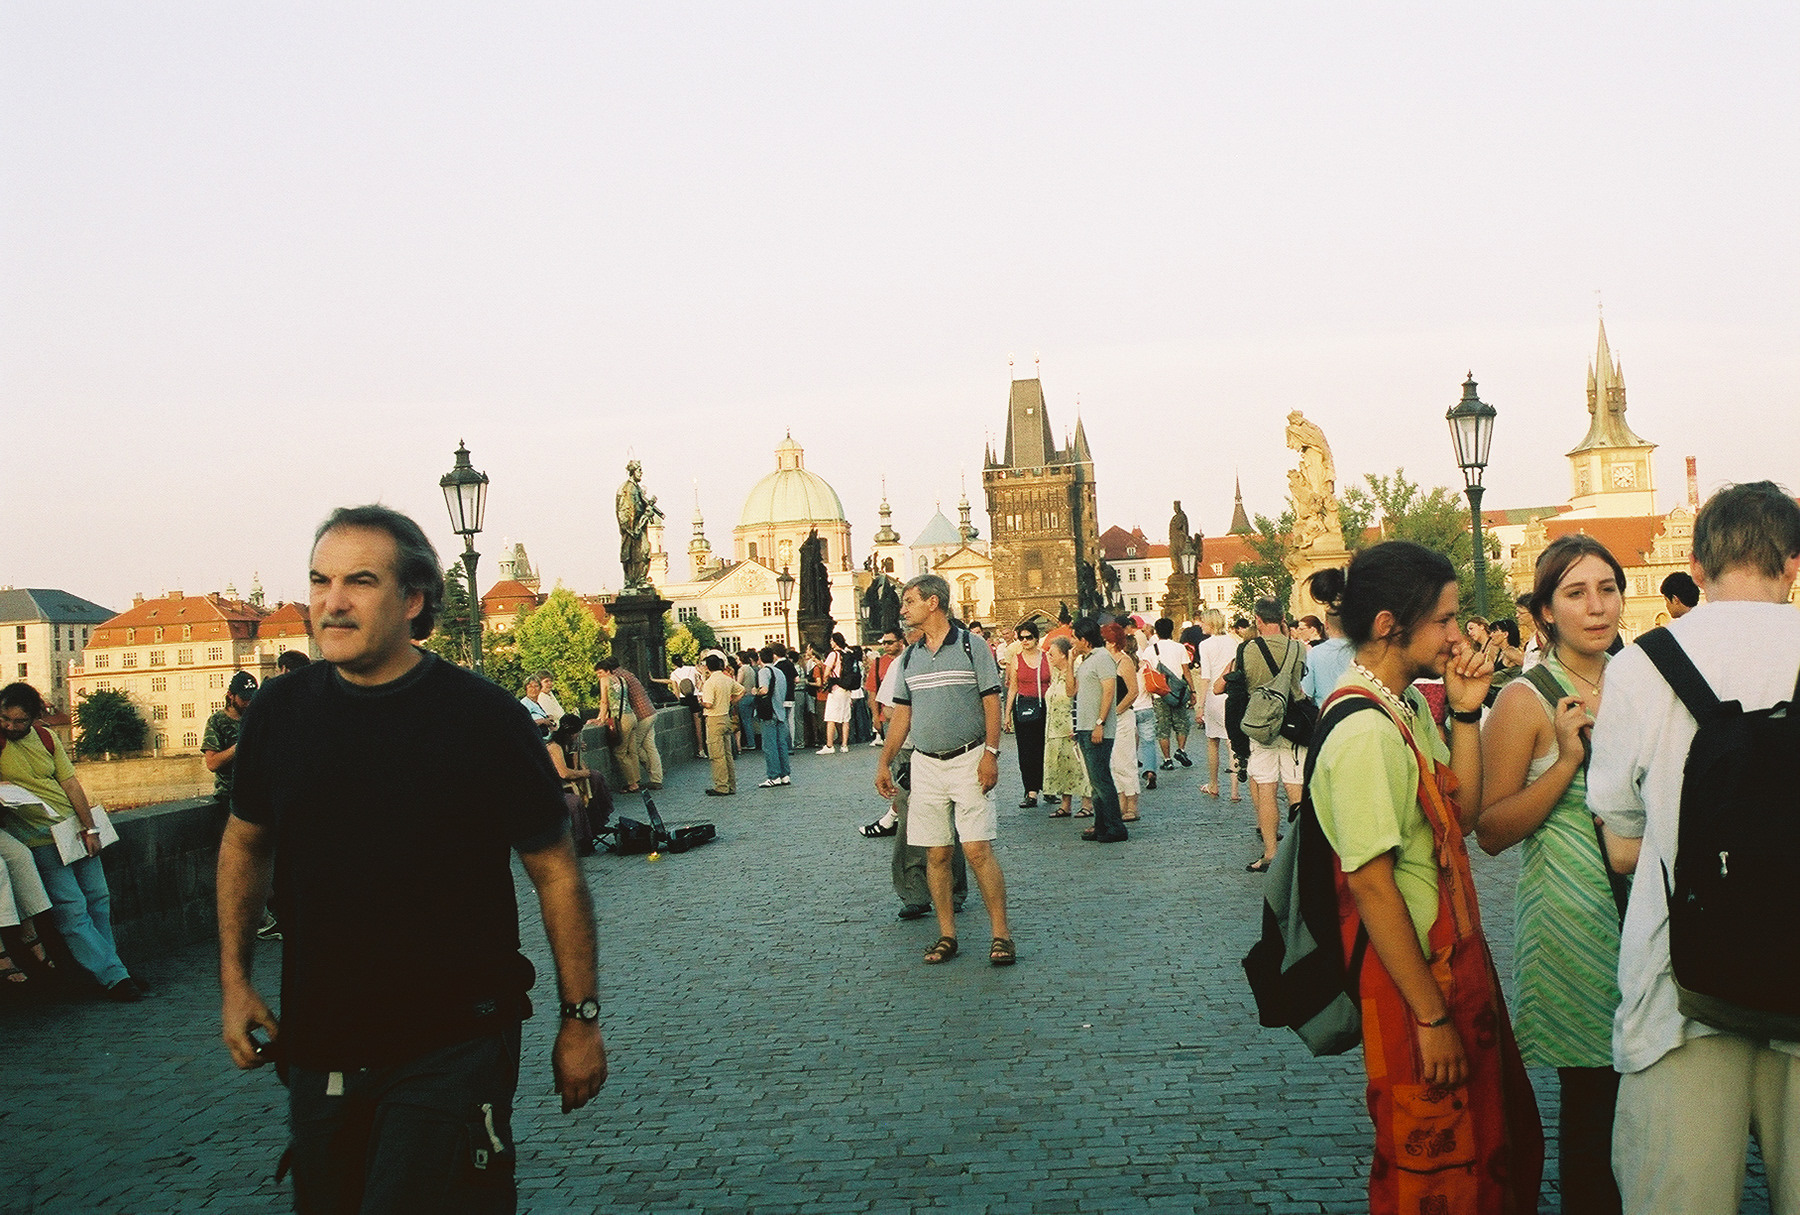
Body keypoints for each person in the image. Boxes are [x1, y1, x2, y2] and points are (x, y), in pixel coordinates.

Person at [216, 505, 607, 1212]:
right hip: (323, 1036)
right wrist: (235, 981)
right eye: (320, 580)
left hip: (453, 1037)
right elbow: (245, 843)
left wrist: (579, 1018)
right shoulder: (280, 710)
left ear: (414, 600)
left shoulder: (483, 717)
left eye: (360, 581)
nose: (333, 601)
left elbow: (556, 872)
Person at [1306, 544, 1542, 1215]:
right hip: (1415, 981)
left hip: (1451, 963)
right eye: (1444, 619)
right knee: (1438, 1166)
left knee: (1487, 1146)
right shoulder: (1365, 732)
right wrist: (1431, 1016)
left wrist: (1465, 712)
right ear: (1389, 625)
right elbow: (1372, 887)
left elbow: (1460, 815)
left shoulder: (1402, 704)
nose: (1458, 634)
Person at [1589, 481, 1800, 1215]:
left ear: (1698, 566)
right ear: (1793, 564)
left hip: (1680, 987)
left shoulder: (1642, 664)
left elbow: (1620, 834)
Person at [1475, 533, 1626, 1215]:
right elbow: (1492, 829)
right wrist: (1566, 762)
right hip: (1573, 924)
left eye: (1607, 589)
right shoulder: (1525, 699)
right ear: (1544, 612)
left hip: (1652, 914)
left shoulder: (1642, 679)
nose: (1597, 606)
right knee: (1594, 1106)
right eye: (1576, 593)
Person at [873, 574, 1015, 966]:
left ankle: (1001, 935)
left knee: (977, 850)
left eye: (909, 601)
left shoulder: (972, 646)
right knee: (936, 853)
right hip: (926, 765)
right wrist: (884, 762)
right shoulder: (910, 658)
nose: (903, 609)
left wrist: (991, 754)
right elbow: (902, 715)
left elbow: (991, 702)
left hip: (969, 759)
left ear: (933, 603)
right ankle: (947, 934)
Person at [0, 682, 142, 1001]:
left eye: (19, 721)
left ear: (34, 718)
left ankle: (113, 968)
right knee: (72, 909)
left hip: (72, 829)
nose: (10, 726)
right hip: (38, 837)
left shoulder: (46, 737)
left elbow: (71, 785)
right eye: (4, 718)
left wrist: (89, 829)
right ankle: (114, 976)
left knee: (98, 900)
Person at [876, 622, 967, 920]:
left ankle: (953, 890)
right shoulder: (904, 662)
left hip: (952, 749)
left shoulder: (960, 654)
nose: (912, 633)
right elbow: (888, 709)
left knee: (951, 820)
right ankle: (915, 892)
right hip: (911, 750)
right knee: (911, 821)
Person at [1218, 598, 1308, 872]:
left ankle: (1270, 853)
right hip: (1293, 725)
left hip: (1260, 725)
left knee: (1266, 789)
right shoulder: (1298, 647)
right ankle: (1302, 852)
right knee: (1296, 789)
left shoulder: (1247, 649)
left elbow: (1236, 686)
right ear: (1282, 618)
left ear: (1257, 619)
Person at [1070, 619, 1127, 843]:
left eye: (1075, 637)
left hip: (1097, 727)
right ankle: (1101, 824)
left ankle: (1116, 826)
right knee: (1095, 781)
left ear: (1085, 640)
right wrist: (1070, 662)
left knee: (1101, 779)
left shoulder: (1102, 658)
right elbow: (1071, 691)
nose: (1073, 641)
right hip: (1084, 726)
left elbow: (1109, 691)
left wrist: (1100, 722)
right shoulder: (1087, 659)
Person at [1039, 636, 1091, 819]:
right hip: (1054, 727)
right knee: (1061, 765)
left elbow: (1072, 693)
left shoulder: (1075, 671)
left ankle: (1087, 804)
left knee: (1078, 765)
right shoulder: (1055, 673)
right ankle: (1065, 804)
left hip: (1070, 726)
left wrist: (1070, 662)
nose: (1049, 656)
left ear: (1063, 654)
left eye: (1052, 653)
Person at [596, 656, 662, 793]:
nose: (598, 676)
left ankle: (634, 782)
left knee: (620, 751)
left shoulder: (608, 679)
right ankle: (654, 777)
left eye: (599, 672)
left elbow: (605, 701)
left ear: (608, 669)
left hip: (632, 716)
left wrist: (600, 718)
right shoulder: (623, 677)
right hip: (638, 715)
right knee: (638, 749)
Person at [1003, 622, 1050, 809]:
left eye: (1028, 637)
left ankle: (1048, 787)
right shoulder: (1016, 659)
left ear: (1036, 638)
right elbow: (1013, 687)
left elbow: (1053, 682)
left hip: (1044, 706)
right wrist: (1007, 714)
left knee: (1045, 748)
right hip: (1023, 706)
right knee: (1026, 750)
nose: (1025, 641)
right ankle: (1031, 791)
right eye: (1021, 638)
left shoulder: (1046, 657)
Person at [1194, 610, 1239, 800]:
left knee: (1213, 741)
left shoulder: (1205, 645)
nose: (1201, 626)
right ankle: (1235, 790)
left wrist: (1200, 704)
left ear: (1210, 624)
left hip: (1214, 695)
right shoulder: (1234, 642)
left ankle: (1213, 784)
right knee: (1232, 742)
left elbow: (1205, 677)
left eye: (1203, 622)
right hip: (1231, 695)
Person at [203, 671, 257, 809]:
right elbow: (212, 763)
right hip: (229, 795)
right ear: (230, 696)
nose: (248, 703)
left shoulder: (256, 718)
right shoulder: (217, 721)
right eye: (244, 699)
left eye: (252, 698)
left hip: (257, 792)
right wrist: (239, 747)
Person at [1145, 618, 1194, 771]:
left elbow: (1147, 672)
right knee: (1182, 723)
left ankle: (1167, 759)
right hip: (1178, 693)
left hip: (1160, 693)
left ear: (1156, 632)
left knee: (1163, 727)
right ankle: (1181, 750)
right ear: (1172, 630)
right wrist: (1193, 691)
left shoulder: (1150, 650)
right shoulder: (1180, 648)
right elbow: (1186, 672)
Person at [1107, 626, 1146, 819]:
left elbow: (1133, 692)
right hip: (1108, 718)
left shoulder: (1125, 661)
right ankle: (1120, 804)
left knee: (1125, 761)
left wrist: (1116, 711)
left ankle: (1132, 806)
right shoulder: (1105, 660)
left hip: (1122, 717)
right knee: (1113, 763)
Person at [547, 713, 598, 855]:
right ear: (570, 733)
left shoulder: (569, 744)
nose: (578, 736)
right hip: (555, 787)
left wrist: (576, 751)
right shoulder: (554, 747)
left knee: (596, 778)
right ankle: (579, 840)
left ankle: (595, 823)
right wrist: (582, 774)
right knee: (574, 801)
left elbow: (578, 766)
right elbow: (564, 773)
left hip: (567, 783)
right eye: (577, 733)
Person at [698, 653, 741, 796]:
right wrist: (731, 702)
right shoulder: (726, 679)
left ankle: (721, 786)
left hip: (714, 719)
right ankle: (731, 785)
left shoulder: (710, 682)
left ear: (707, 667)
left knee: (717, 755)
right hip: (726, 717)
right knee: (727, 754)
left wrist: (701, 703)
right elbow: (742, 690)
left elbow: (709, 704)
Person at [754, 646, 792, 789]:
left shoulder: (764, 671)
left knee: (769, 745)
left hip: (769, 712)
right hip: (780, 711)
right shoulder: (779, 672)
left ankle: (773, 776)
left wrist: (755, 692)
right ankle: (785, 775)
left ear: (760, 658)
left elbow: (764, 690)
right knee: (781, 744)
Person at [652, 659, 706, 757]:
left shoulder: (674, 673)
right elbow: (701, 674)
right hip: (694, 697)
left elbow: (674, 687)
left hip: (683, 698)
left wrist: (653, 680)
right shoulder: (691, 669)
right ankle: (701, 749)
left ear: (673, 664)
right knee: (698, 727)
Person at [819, 633, 855, 754]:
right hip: (846, 689)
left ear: (835, 642)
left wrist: (826, 680)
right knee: (845, 718)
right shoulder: (847, 654)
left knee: (831, 717)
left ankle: (829, 745)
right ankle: (844, 745)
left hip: (835, 688)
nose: (830, 642)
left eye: (831, 640)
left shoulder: (833, 654)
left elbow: (826, 672)